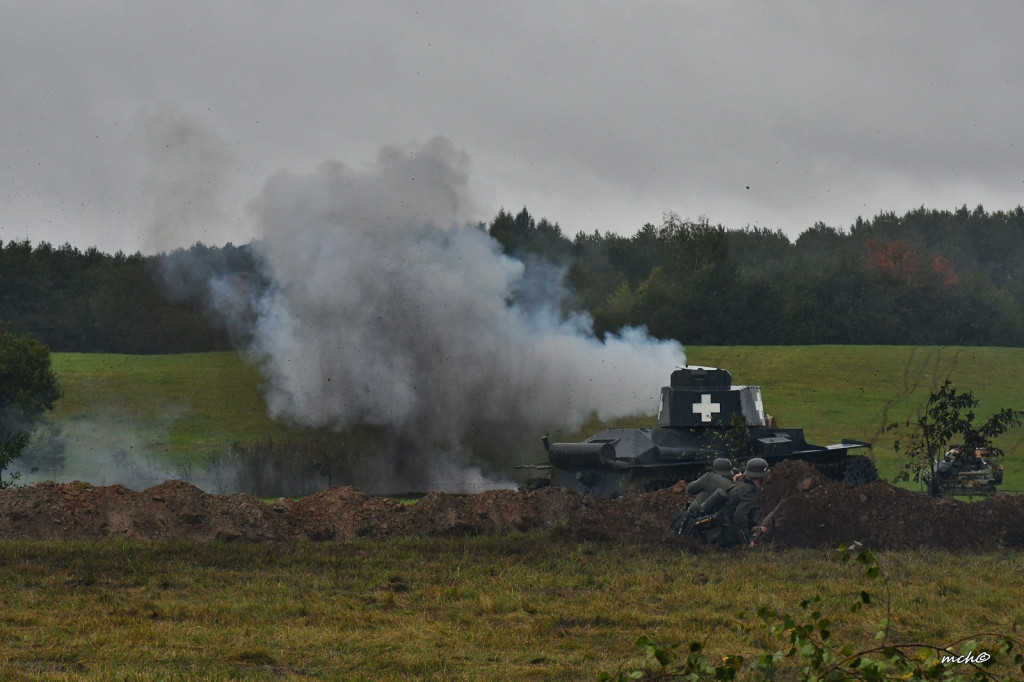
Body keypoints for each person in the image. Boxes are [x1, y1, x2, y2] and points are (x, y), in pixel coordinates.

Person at [721, 457, 770, 548]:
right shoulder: (749, 491)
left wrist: (753, 528)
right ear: (761, 476)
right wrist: (747, 541)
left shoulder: (742, 485)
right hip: (725, 533)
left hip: (723, 525)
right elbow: (739, 516)